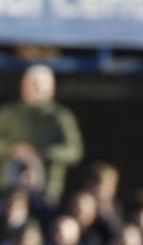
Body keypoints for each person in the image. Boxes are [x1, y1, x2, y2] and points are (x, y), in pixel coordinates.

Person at [0, 66, 83, 203]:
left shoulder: (60, 117)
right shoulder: (8, 114)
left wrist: (45, 153)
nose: (38, 90)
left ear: (52, 89)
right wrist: (12, 149)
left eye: (42, 86)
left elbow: (75, 151)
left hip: (48, 191)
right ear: (23, 86)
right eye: (33, 85)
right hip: (9, 189)